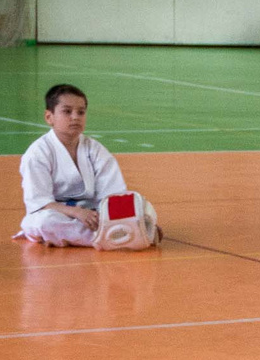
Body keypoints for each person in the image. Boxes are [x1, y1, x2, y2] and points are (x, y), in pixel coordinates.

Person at [16, 84, 160, 250]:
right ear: (49, 117)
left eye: (81, 112)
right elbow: (41, 203)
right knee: (43, 222)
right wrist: (77, 213)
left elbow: (114, 195)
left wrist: (124, 215)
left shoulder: (95, 149)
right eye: (67, 111)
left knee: (138, 204)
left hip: (94, 215)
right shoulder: (38, 153)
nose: (75, 117)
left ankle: (112, 234)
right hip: (56, 214)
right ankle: (111, 238)